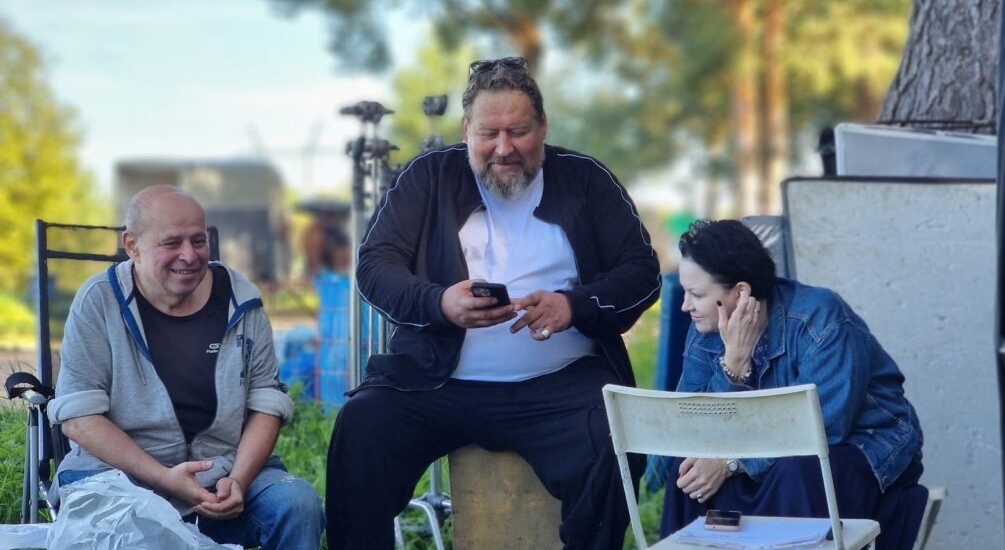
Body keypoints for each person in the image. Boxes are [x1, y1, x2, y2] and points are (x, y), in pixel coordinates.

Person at [324, 56, 661, 549]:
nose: (504, 149)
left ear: (543, 126)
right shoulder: (427, 177)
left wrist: (573, 306)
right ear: (466, 130)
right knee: (361, 426)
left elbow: (641, 272)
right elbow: (375, 266)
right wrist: (440, 303)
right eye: (488, 134)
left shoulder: (586, 179)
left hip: (561, 385)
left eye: (518, 132)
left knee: (613, 439)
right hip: (436, 382)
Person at [50, 185, 325, 550]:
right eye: (171, 243)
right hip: (120, 479)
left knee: (298, 503)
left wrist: (239, 480)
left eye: (198, 240)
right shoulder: (97, 301)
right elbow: (79, 418)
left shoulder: (242, 300)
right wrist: (164, 478)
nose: (190, 255)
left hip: (223, 474)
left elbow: (266, 403)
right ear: (132, 245)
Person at [661, 219, 926, 550]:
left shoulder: (820, 318)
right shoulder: (705, 329)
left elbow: (822, 428)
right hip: (766, 450)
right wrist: (734, 365)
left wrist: (732, 463)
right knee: (687, 473)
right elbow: (692, 427)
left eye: (697, 294)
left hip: (863, 443)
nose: (685, 305)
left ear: (740, 292)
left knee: (795, 471)